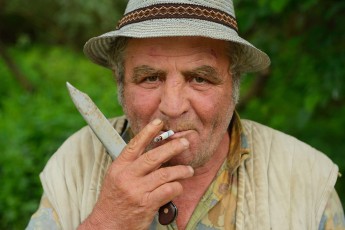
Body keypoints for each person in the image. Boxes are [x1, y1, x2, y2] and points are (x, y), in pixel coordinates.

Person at [27, 0, 345, 229]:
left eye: (200, 78)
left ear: (234, 86)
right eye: (150, 78)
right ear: (120, 83)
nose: (173, 106)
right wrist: (109, 220)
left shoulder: (308, 180)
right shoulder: (74, 163)